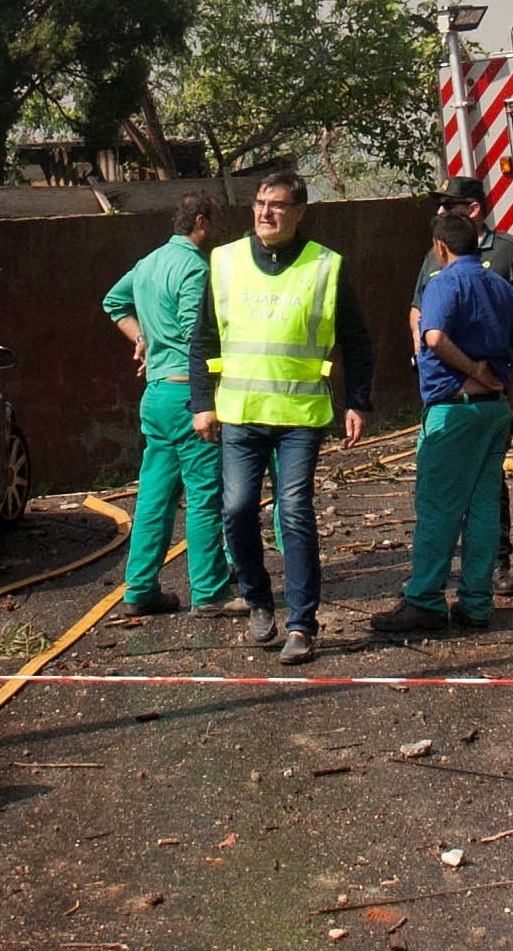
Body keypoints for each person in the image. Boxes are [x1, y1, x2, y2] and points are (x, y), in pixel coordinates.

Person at [189, 172, 372, 665]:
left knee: (293, 513)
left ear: (300, 211)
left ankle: (302, 625)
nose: (265, 213)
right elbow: (204, 339)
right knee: (236, 509)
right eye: (260, 203)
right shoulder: (223, 262)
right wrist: (201, 402)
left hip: (300, 415)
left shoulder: (325, 266)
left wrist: (357, 401)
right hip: (241, 414)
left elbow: (356, 339)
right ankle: (256, 598)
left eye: (277, 205)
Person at [371, 209, 513, 636]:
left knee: (438, 507)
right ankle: (476, 603)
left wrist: (473, 371)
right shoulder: (502, 288)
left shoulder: (443, 284)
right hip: (494, 411)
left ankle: (424, 601)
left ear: (441, 247)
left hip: (454, 410)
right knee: (481, 506)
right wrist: (509, 406)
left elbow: (434, 337)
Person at [407, 176, 513, 599]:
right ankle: (475, 598)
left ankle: (433, 596)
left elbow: (436, 333)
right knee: (481, 493)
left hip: (462, 404)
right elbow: (419, 316)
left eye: (448, 205)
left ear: (472, 209)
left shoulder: (505, 252)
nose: (440, 213)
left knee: (443, 500)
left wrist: (481, 360)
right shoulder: (440, 260)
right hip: (483, 399)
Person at [102, 193, 234, 618]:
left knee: (155, 496)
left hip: (156, 394)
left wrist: (141, 338)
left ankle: (140, 588)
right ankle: (210, 590)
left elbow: (114, 303)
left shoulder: (148, 264)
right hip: (188, 394)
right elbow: (198, 336)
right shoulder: (195, 268)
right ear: (201, 221)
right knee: (203, 494)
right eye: (214, 222)